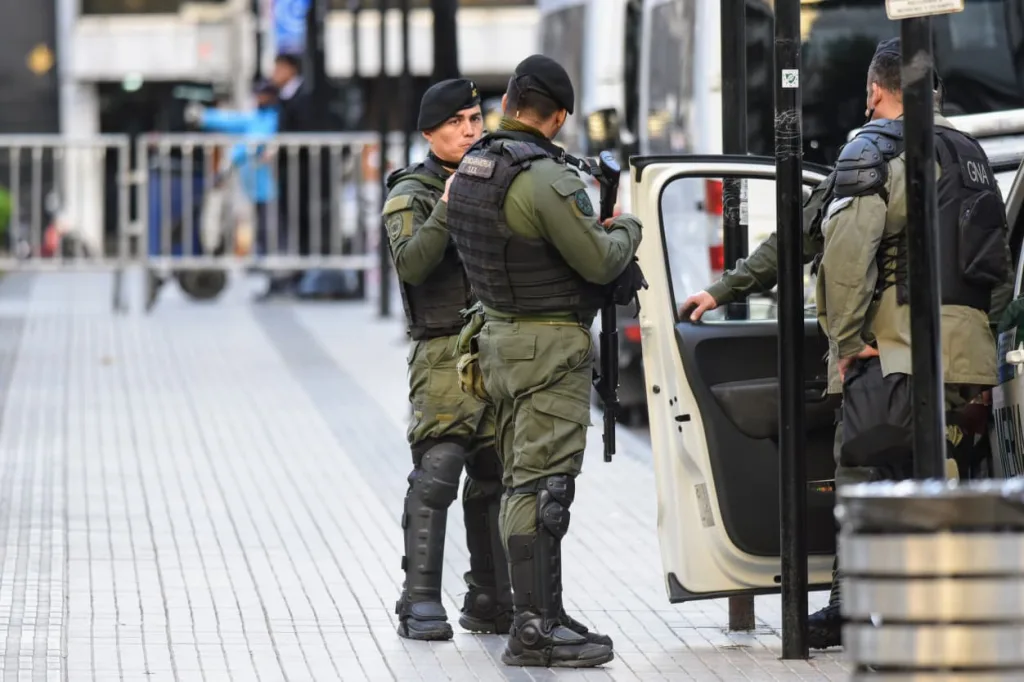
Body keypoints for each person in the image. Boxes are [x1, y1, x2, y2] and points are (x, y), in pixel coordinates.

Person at [443, 54, 644, 668]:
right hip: (547, 349)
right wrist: (628, 227)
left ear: (507, 104)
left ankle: (542, 611)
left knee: (520, 480)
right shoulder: (545, 179)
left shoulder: (475, 166)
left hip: (498, 340)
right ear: (557, 117)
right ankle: (534, 629)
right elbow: (600, 260)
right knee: (544, 488)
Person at [812, 37, 1013, 647]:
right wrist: (976, 338)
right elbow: (996, 271)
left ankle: (855, 605)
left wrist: (847, 341)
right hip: (968, 352)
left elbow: (847, 259)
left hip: (896, 348)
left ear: (876, 90)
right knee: (946, 469)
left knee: (861, 461)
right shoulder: (974, 156)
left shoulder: (874, 150)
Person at [383, 79, 513, 641]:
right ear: (428, 133)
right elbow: (412, 264)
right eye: (456, 122)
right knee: (437, 472)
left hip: (496, 345)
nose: (469, 130)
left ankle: (489, 597)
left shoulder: (494, 177)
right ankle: (418, 601)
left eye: (475, 119)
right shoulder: (411, 191)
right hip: (442, 348)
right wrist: (448, 202)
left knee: (494, 476)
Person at [192, 81, 280, 259]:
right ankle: (264, 257)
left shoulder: (271, 117)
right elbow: (234, 121)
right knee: (259, 223)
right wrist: (206, 117)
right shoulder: (259, 116)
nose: (258, 98)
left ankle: (272, 258)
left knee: (269, 224)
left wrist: (230, 161)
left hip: (269, 184)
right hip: (254, 184)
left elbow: (252, 140)